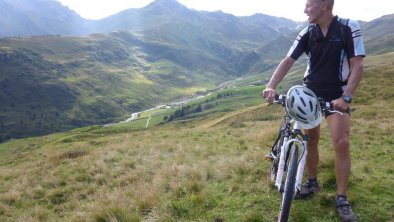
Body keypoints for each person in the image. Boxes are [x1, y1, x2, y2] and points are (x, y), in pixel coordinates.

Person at [262, 0, 365, 221]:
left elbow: (357, 64)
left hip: (337, 93)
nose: (305, 9)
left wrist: (346, 97)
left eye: (309, 5)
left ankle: (342, 198)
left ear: (325, 5)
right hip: (310, 93)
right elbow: (288, 60)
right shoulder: (307, 32)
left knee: (342, 142)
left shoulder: (348, 27)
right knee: (311, 139)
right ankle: (312, 182)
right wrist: (271, 85)